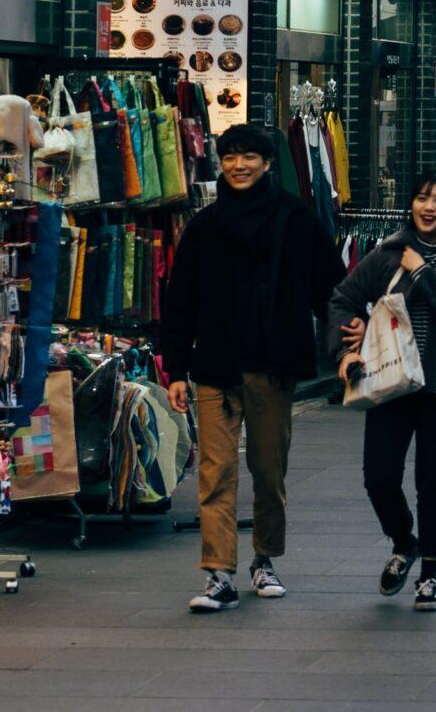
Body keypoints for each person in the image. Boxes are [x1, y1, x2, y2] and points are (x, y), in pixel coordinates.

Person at [160, 124, 344, 613]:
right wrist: (175, 368)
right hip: (214, 365)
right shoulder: (206, 225)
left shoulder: (297, 219)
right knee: (214, 471)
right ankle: (218, 573)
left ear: (266, 162)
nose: (238, 166)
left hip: (273, 364)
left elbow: (330, 285)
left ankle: (264, 559)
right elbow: (180, 301)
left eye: (248, 157)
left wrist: (347, 341)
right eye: (229, 158)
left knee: (268, 468)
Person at [329, 169, 436, 613]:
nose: (429, 207)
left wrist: (419, 274)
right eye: (421, 198)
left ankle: (429, 576)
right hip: (389, 381)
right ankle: (404, 541)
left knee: (432, 482)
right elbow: (343, 297)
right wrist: (345, 348)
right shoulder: (387, 252)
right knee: (378, 477)